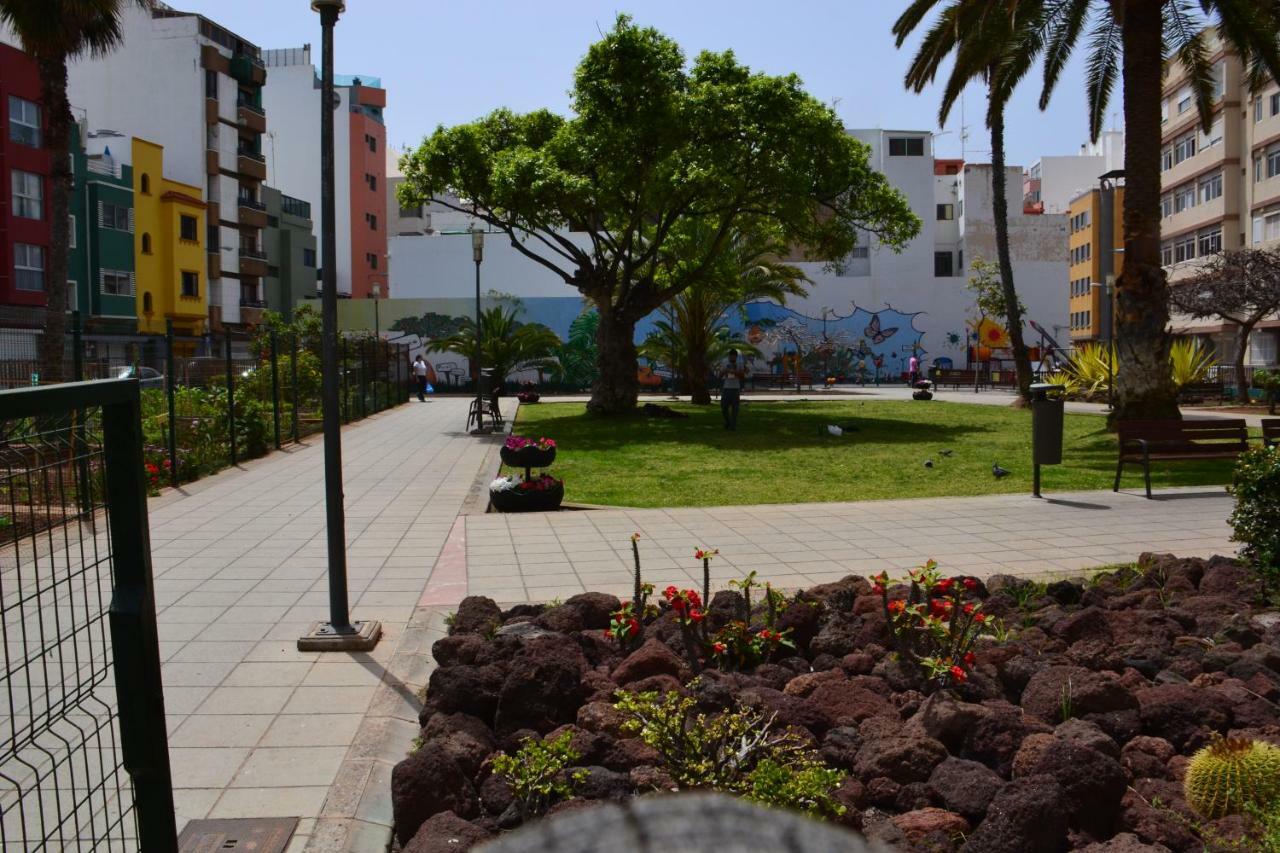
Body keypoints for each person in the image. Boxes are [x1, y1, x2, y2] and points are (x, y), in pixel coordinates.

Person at [719, 349, 745, 430]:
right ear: (729, 356)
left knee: (735, 408)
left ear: (736, 357)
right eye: (731, 357)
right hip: (726, 387)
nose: (733, 358)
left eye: (734, 357)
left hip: (736, 388)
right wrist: (725, 371)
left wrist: (735, 372)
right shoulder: (724, 362)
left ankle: (732, 425)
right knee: (723, 406)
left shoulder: (740, 363)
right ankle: (728, 421)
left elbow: (743, 376)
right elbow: (720, 375)